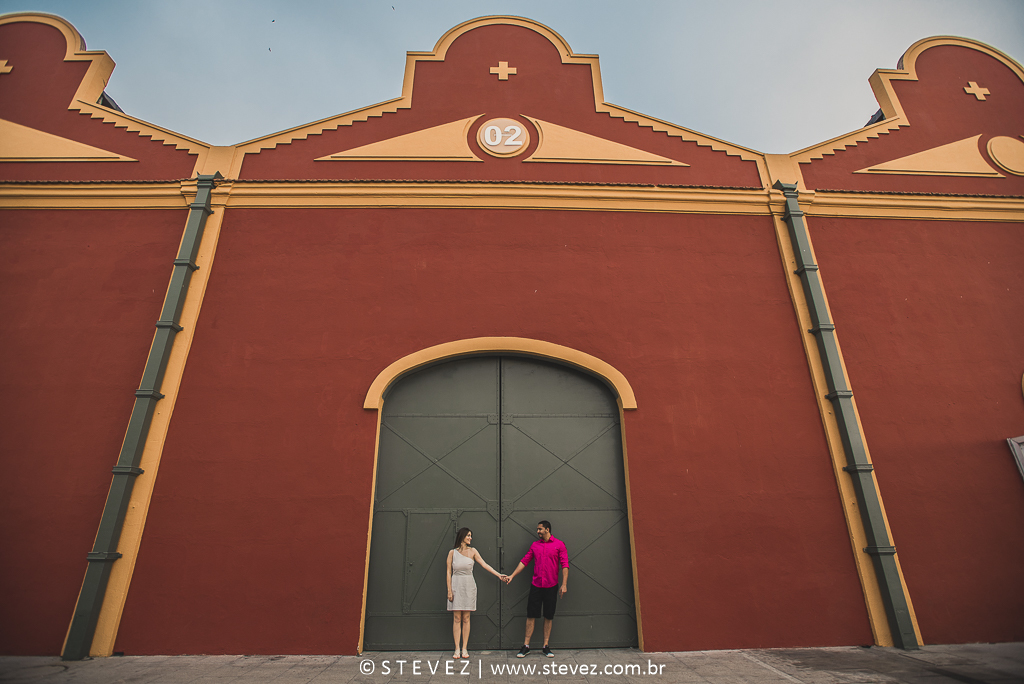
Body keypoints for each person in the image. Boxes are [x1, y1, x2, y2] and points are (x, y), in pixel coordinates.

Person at [503, 520, 568, 658]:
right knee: (531, 615)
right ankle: (526, 646)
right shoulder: (535, 545)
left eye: (540, 529)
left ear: (547, 529)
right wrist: (512, 575)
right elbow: (524, 561)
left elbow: (565, 565)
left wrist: (564, 584)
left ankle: (546, 646)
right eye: (537, 529)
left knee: (548, 616)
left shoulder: (559, 545)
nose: (537, 531)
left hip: (551, 586)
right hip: (536, 586)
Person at [446, 527, 506, 660]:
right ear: (462, 536)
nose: (470, 538)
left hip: (469, 585)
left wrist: (498, 575)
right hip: (456, 585)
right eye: (468, 535)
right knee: (457, 618)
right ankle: (457, 648)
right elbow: (448, 572)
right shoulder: (452, 553)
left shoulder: (473, 551)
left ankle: (464, 648)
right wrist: (449, 590)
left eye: (471, 536)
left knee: (466, 618)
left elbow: (484, 565)